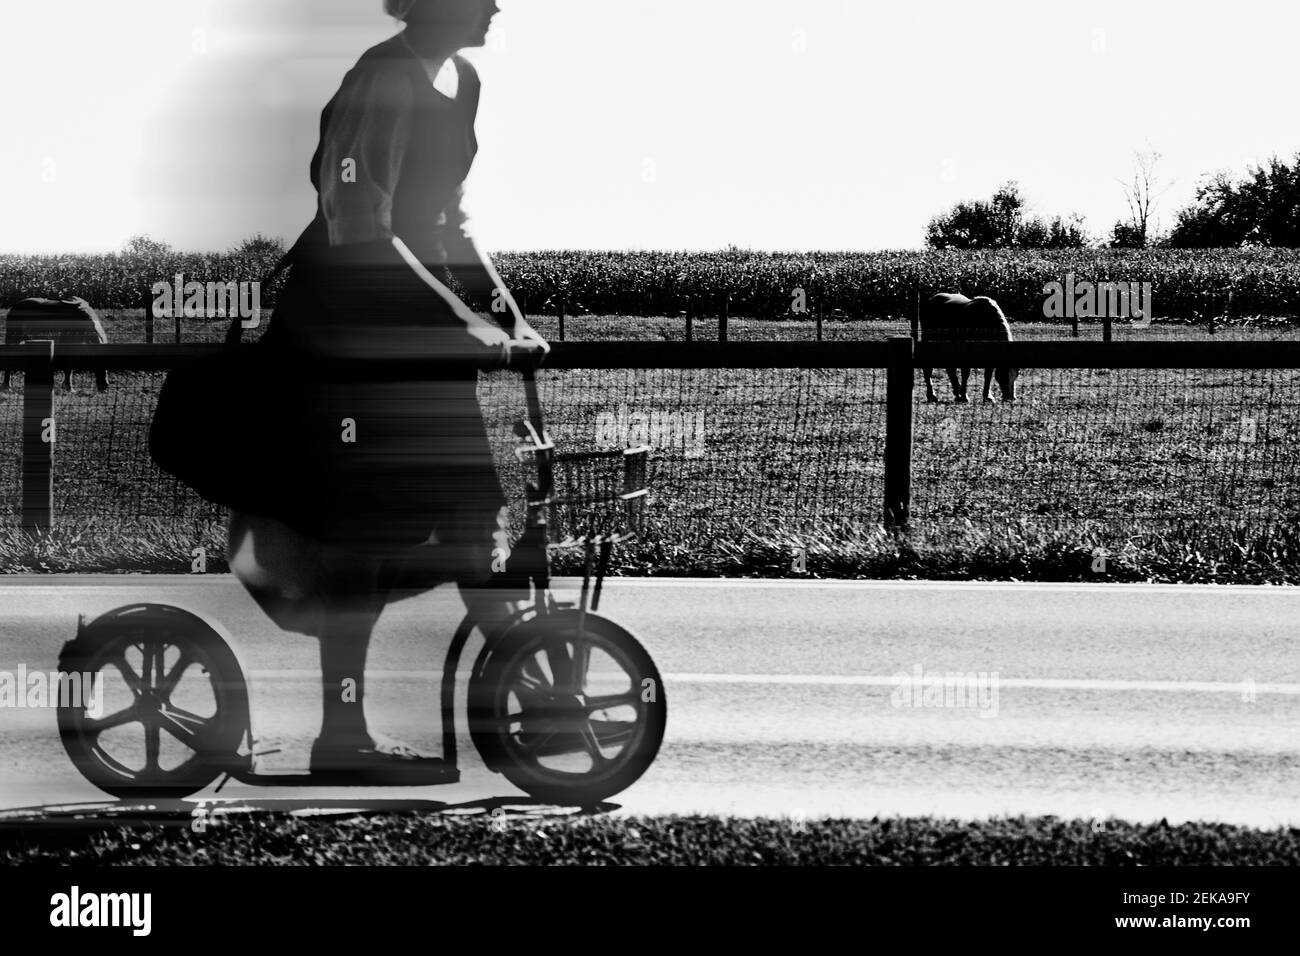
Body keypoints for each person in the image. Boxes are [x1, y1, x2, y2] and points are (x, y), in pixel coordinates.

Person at [226, 0, 549, 781]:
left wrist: (505, 312)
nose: (498, 5)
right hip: (347, 339)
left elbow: (447, 219)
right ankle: (344, 737)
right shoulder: (380, 81)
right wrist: (463, 320)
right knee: (361, 542)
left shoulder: (462, 81)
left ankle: (536, 699)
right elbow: (358, 227)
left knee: (477, 511)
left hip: (417, 337)